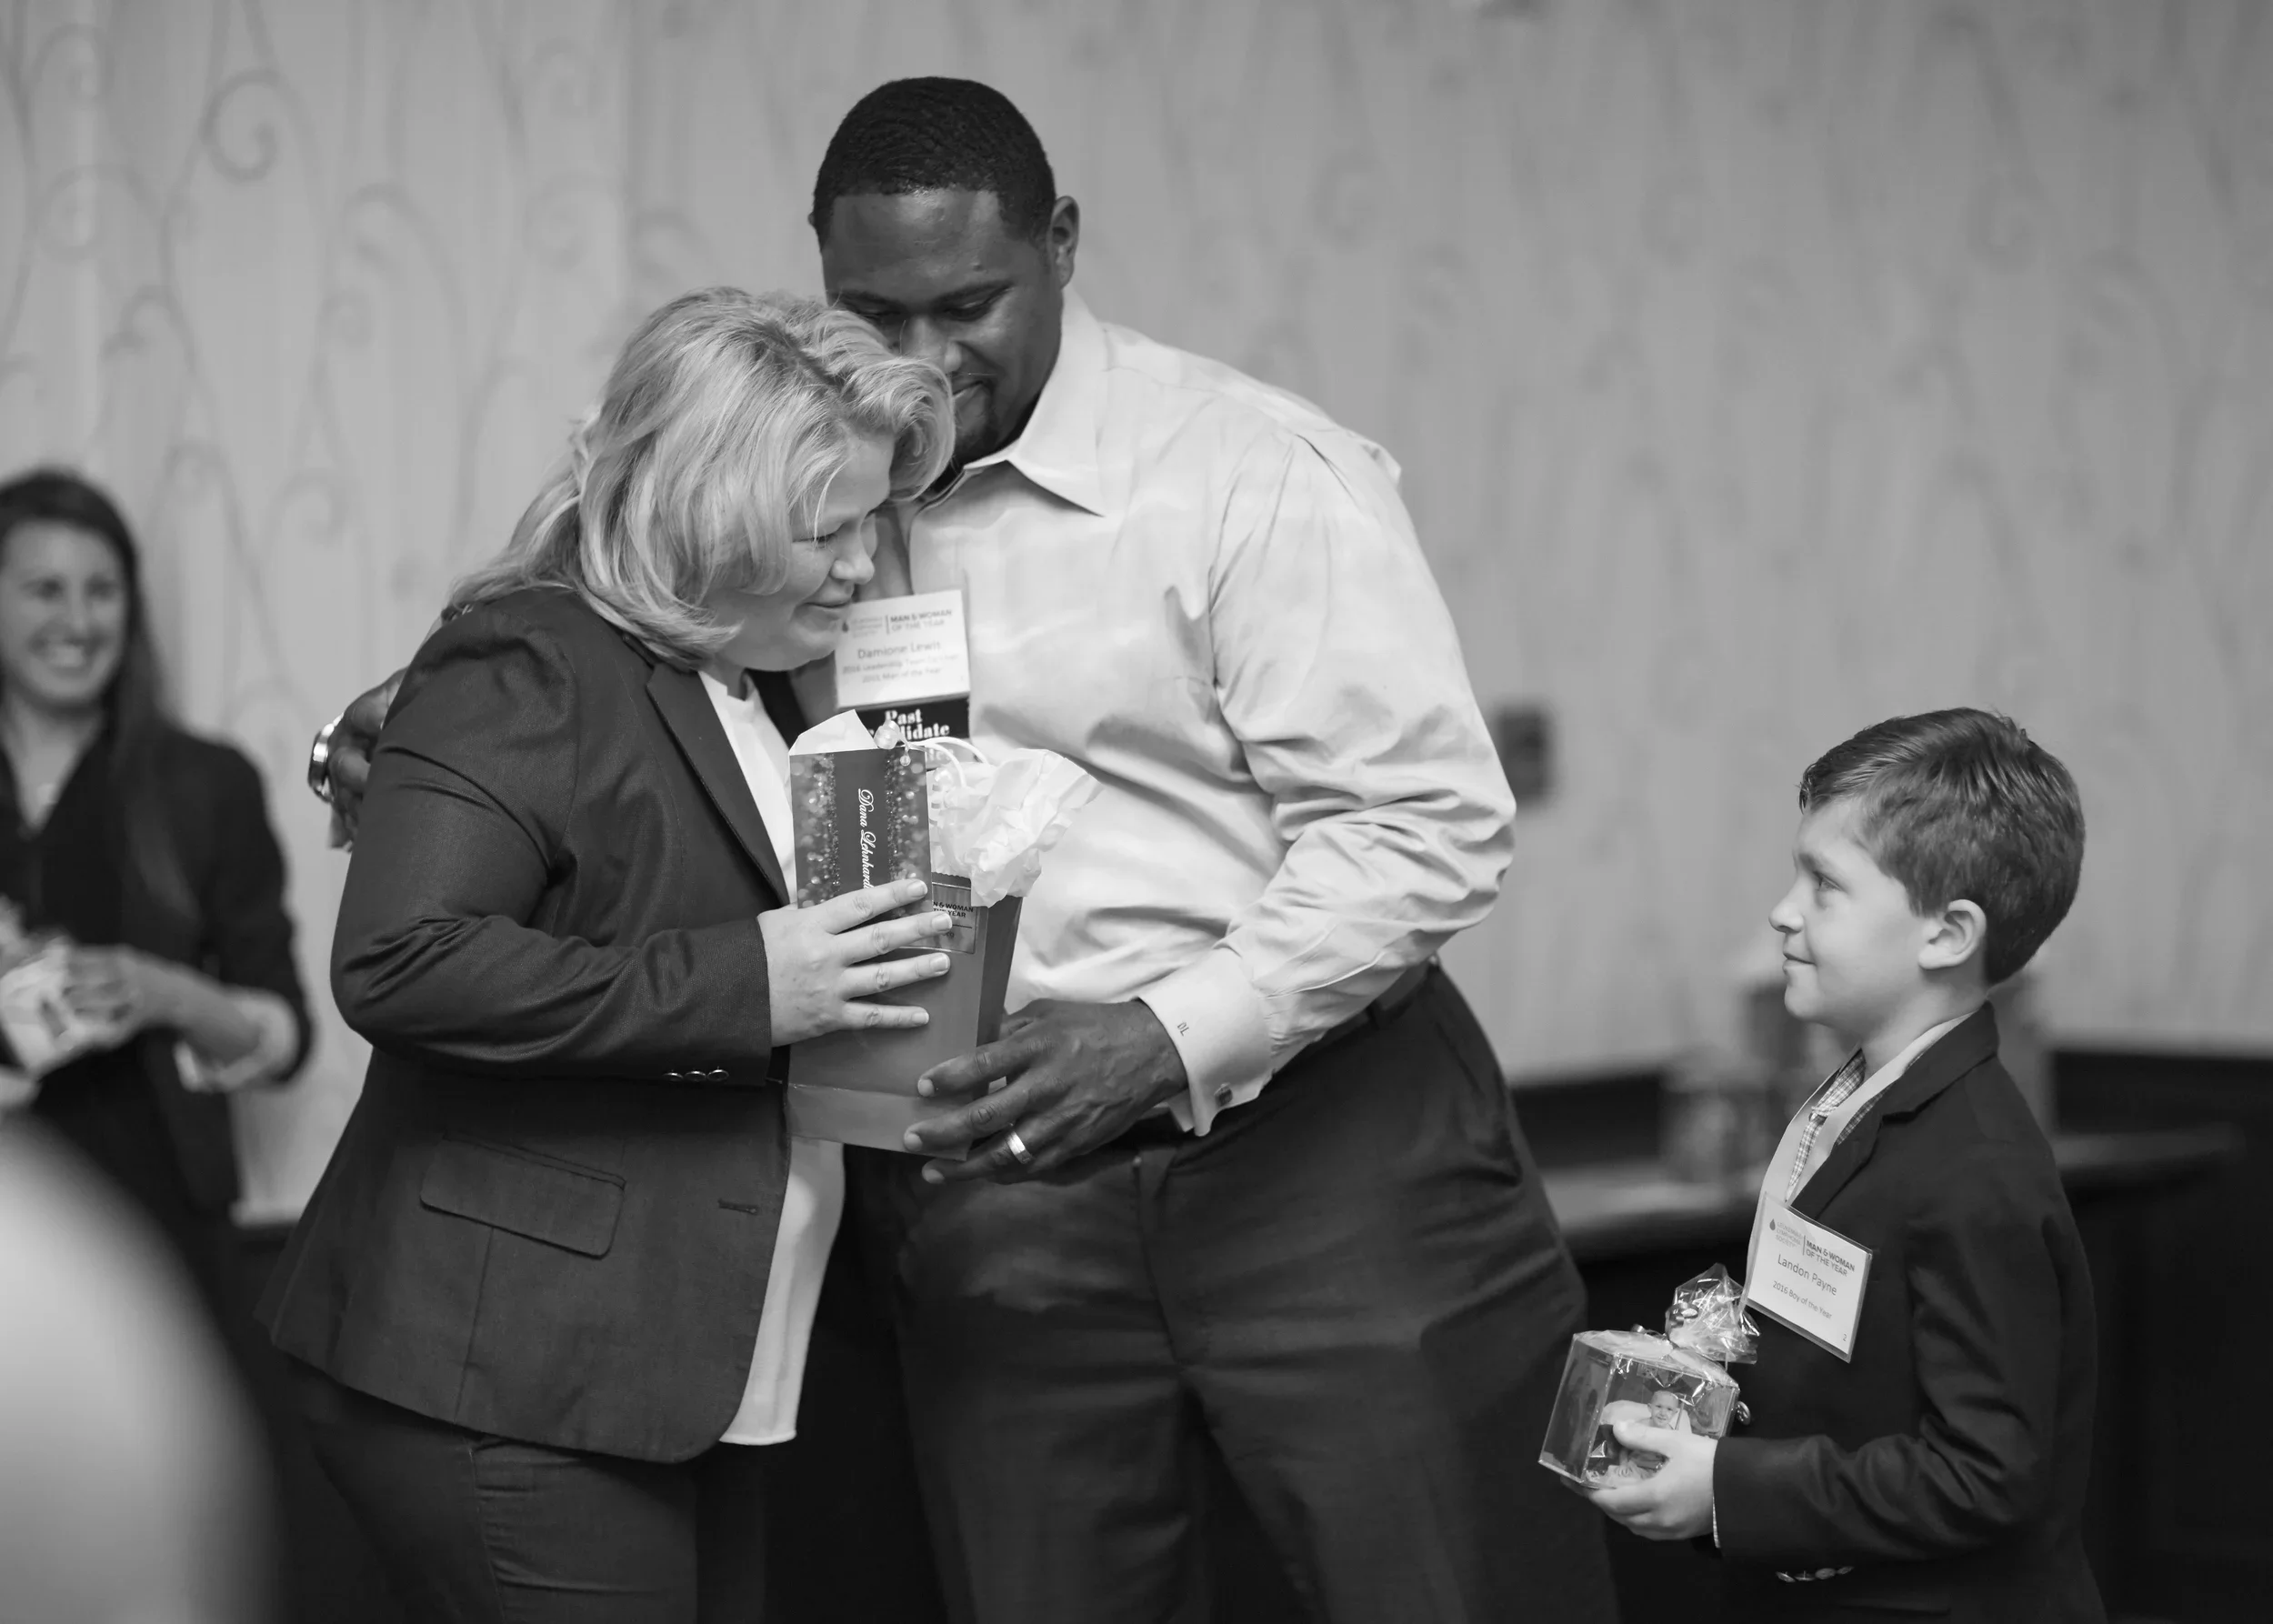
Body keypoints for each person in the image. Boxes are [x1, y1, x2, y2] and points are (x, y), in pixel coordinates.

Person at [320, 79, 1613, 1624]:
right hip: (993, 1181)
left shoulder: (1252, 474)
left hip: (1321, 1156)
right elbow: (620, 600)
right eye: (875, 307)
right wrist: (418, 727)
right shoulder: (806, 477)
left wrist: (1160, 1037)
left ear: (1061, 245)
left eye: (970, 303)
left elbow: (1429, 824)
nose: (925, 353)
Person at [260, 288, 958, 1621]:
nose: (863, 563)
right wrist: (755, 983)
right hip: (506, 1373)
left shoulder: (779, 684)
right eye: (826, 529)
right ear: (711, 517)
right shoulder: (536, 655)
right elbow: (401, 960)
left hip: (687, 1370)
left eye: (873, 517)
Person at [1587, 708, 2106, 1621]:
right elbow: (1837, 1337)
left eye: (1824, 884)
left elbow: (1982, 1474)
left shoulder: (1974, 1166)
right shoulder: (1854, 1093)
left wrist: (1728, 1488)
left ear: (1945, 934)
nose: (1783, 910)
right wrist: (1692, 1371)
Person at [0, 467, 310, 1327]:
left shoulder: (203, 784)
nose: (77, 620)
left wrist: (163, 991)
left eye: (102, 590)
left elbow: (284, 1039)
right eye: (43, 590)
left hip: (156, 1235)